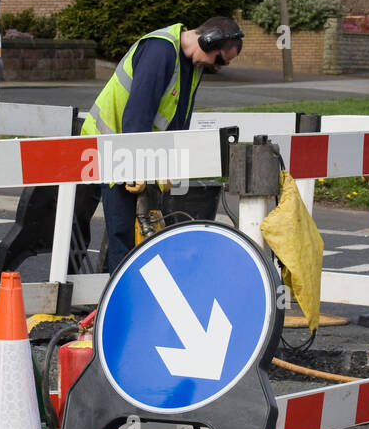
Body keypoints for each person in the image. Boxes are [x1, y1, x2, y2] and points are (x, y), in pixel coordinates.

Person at [80, 17, 245, 269]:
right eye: (221, 59)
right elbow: (138, 113)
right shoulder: (160, 51)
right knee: (121, 232)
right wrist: (136, 166)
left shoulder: (192, 66)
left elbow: (177, 118)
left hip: (134, 149)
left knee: (139, 233)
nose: (219, 66)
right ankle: (120, 302)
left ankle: (115, 292)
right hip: (110, 146)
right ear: (209, 40)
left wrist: (166, 165)